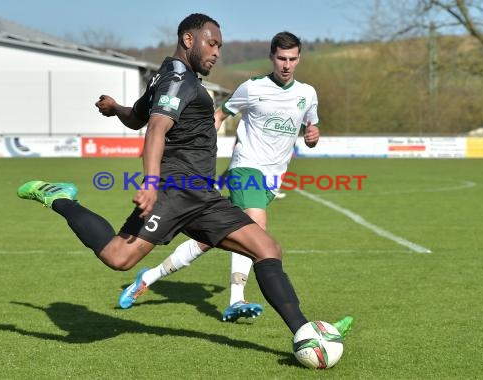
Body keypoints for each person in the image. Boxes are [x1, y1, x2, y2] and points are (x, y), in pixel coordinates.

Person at [17, 14, 352, 341]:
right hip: (174, 192)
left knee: (267, 249)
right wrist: (150, 185)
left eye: (219, 46)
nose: (216, 52)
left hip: (203, 196)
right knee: (118, 257)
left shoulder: (170, 77)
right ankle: (60, 198)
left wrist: (115, 107)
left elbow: (135, 118)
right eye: (212, 43)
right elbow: (154, 130)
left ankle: (304, 333)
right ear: (188, 40)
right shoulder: (179, 80)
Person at [112, 31, 337, 324]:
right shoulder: (252, 87)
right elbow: (218, 115)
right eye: (281, 58)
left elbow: (311, 134)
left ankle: (150, 276)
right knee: (256, 228)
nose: (286, 65)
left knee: (211, 238)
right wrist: (199, 150)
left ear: (299, 59)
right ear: (271, 58)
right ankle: (237, 298)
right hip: (246, 168)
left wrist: (312, 136)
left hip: (274, 176)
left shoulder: (308, 94)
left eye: (292, 59)